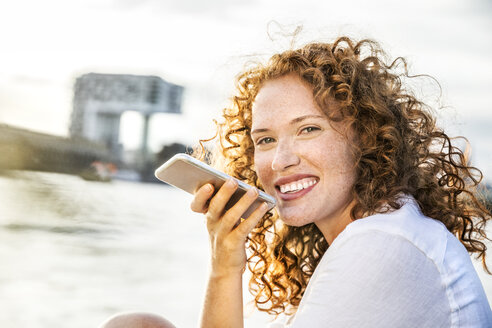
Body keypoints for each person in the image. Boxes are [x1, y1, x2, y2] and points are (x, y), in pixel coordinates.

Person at [102, 36, 492, 327]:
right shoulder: (383, 229)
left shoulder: (381, 242)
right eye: (265, 140)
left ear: (366, 136)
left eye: (308, 129)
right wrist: (225, 266)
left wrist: (224, 271)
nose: (280, 161)